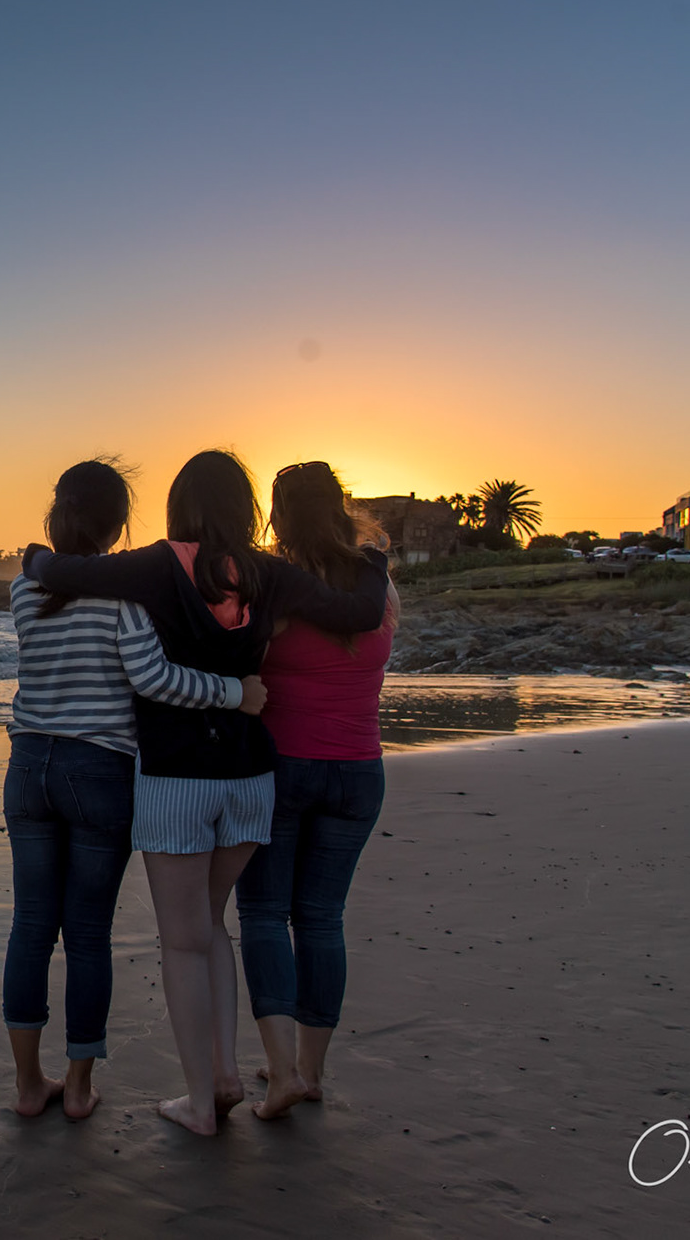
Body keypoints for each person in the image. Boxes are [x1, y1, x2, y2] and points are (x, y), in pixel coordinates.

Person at [23, 450, 388, 1135]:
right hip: (250, 778)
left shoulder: (159, 564)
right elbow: (361, 611)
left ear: (179, 504)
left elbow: (68, 571)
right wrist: (374, 558)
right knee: (213, 925)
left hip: (177, 778)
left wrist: (34, 557)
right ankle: (224, 1075)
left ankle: (202, 1101)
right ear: (245, 507)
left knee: (184, 941)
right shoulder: (269, 571)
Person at [3, 458, 268, 1120]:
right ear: (119, 522)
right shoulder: (125, 594)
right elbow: (152, 678)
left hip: (28, 764)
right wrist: (234, 693)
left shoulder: (23, 587)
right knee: (87, 932)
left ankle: (29, 1085)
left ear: (58, 513)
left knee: (31, 927)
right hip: (98, 768)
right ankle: (79, 1088)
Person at [236, 460, 398, 1119]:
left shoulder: (275, 588)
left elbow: (242, 662)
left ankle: (281, 1073)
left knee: (264, 914)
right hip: (358, 769)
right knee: (322, 918)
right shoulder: (378, 588)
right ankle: (310, 1071)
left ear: (278, 517)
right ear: (339, 506)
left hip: (283, 768)